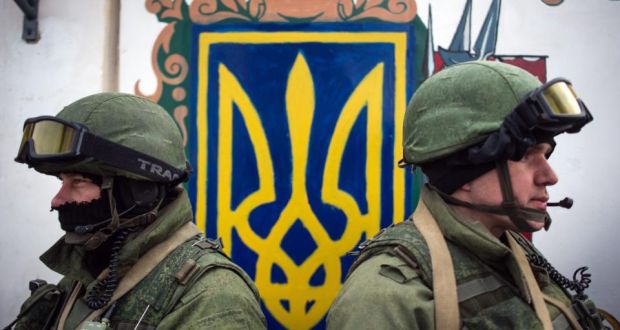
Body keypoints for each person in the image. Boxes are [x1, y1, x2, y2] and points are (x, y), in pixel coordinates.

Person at [327, 61, 615, 329]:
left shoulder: (506, 248)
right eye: (527, 156)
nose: (550, 176)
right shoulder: (384, 297)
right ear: (466, 169)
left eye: (546, 154)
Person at [7, 93, 267, 329]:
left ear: (138, 192)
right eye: (62, 181)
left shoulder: (212, 297)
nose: (57, 200)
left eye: (78, 182)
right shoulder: (87, 276)